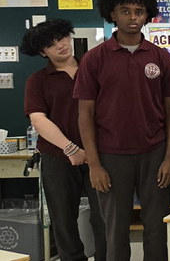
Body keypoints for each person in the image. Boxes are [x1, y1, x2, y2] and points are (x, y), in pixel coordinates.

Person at [74, 0, 170, 261]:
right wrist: (94, 164)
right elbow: (85, 114)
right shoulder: (94, 59)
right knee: (115, 230)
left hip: (155, 154)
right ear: (112, 14)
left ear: (147, 15)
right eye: (125, 11)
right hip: (111, 156)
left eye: (139, 11)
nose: (133, 17)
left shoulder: (161, 57)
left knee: (157, 228)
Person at [21, 19, 107, 261]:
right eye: (51, 44)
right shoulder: (37, 80)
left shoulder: (94, 71)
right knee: (63, 219)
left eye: (62, 38)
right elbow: (38, 119)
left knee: (105, 216)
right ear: (42, 52)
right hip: (57, 157)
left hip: (99, 155)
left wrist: (90, 151)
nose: (60, 45)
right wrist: (71, 149)